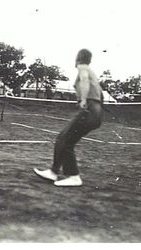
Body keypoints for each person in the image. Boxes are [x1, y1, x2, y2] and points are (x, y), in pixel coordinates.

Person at [34, 49, 103, 186]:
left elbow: (84, 81)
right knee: (64, 139)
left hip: (90, 109)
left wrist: (83, 100)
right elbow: (100, 94)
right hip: (96, 111)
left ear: (78, 58)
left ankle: (72, 176)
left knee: (64, 139)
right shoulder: (92, 72)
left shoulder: (83, 68)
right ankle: (54, 172)